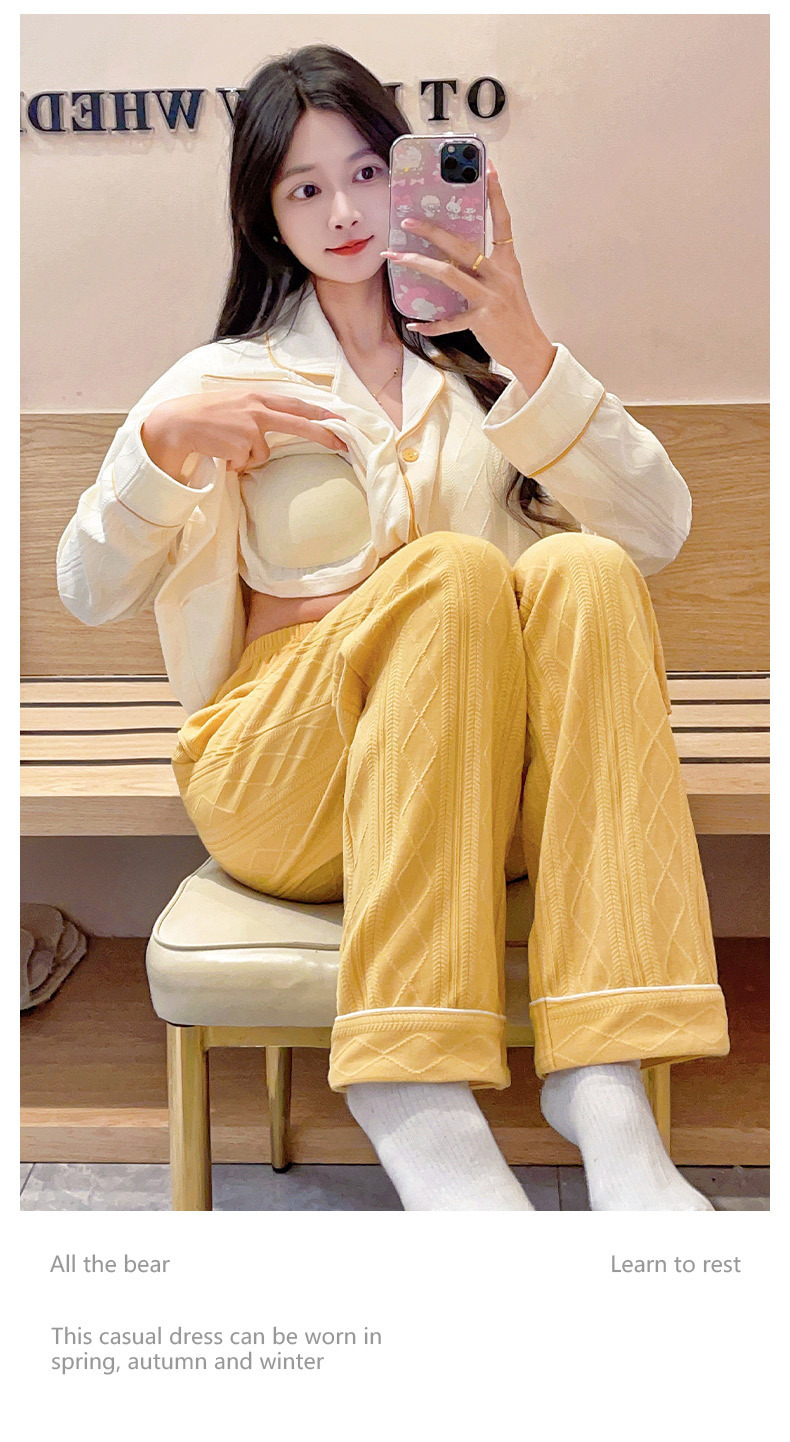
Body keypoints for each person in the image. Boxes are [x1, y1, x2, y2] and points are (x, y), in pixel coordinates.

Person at [57, 43, 730, 1211]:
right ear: (266, 215)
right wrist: (164, 448)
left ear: (408, 175)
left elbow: (659, 529)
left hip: (474, 789)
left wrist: (523, 341)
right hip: (287, 778)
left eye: (367, 172)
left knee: (582, 568)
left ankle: (605, 1082)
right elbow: (87, 587)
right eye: (304, 187)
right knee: (455, 575)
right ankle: (411, 1085)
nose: (344, 212)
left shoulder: (486, 373)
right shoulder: (227, 379)